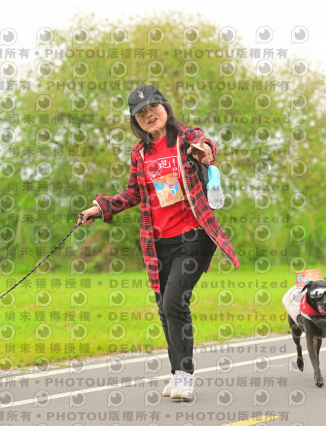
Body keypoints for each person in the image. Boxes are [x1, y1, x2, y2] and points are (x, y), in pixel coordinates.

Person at [78, 85, 239, 400]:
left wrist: (205, 152)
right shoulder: (140, 153)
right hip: (158, 243)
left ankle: (186, 377)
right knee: (165, 309)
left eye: (153, 108)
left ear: (165, 107)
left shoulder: (186, 138)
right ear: (135, 121)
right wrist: (100, 208)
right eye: (141, 113)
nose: (149, 115)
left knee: (174, 302)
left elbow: (205, 146)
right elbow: (133, 192)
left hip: (194, 235)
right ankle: (177, 373)